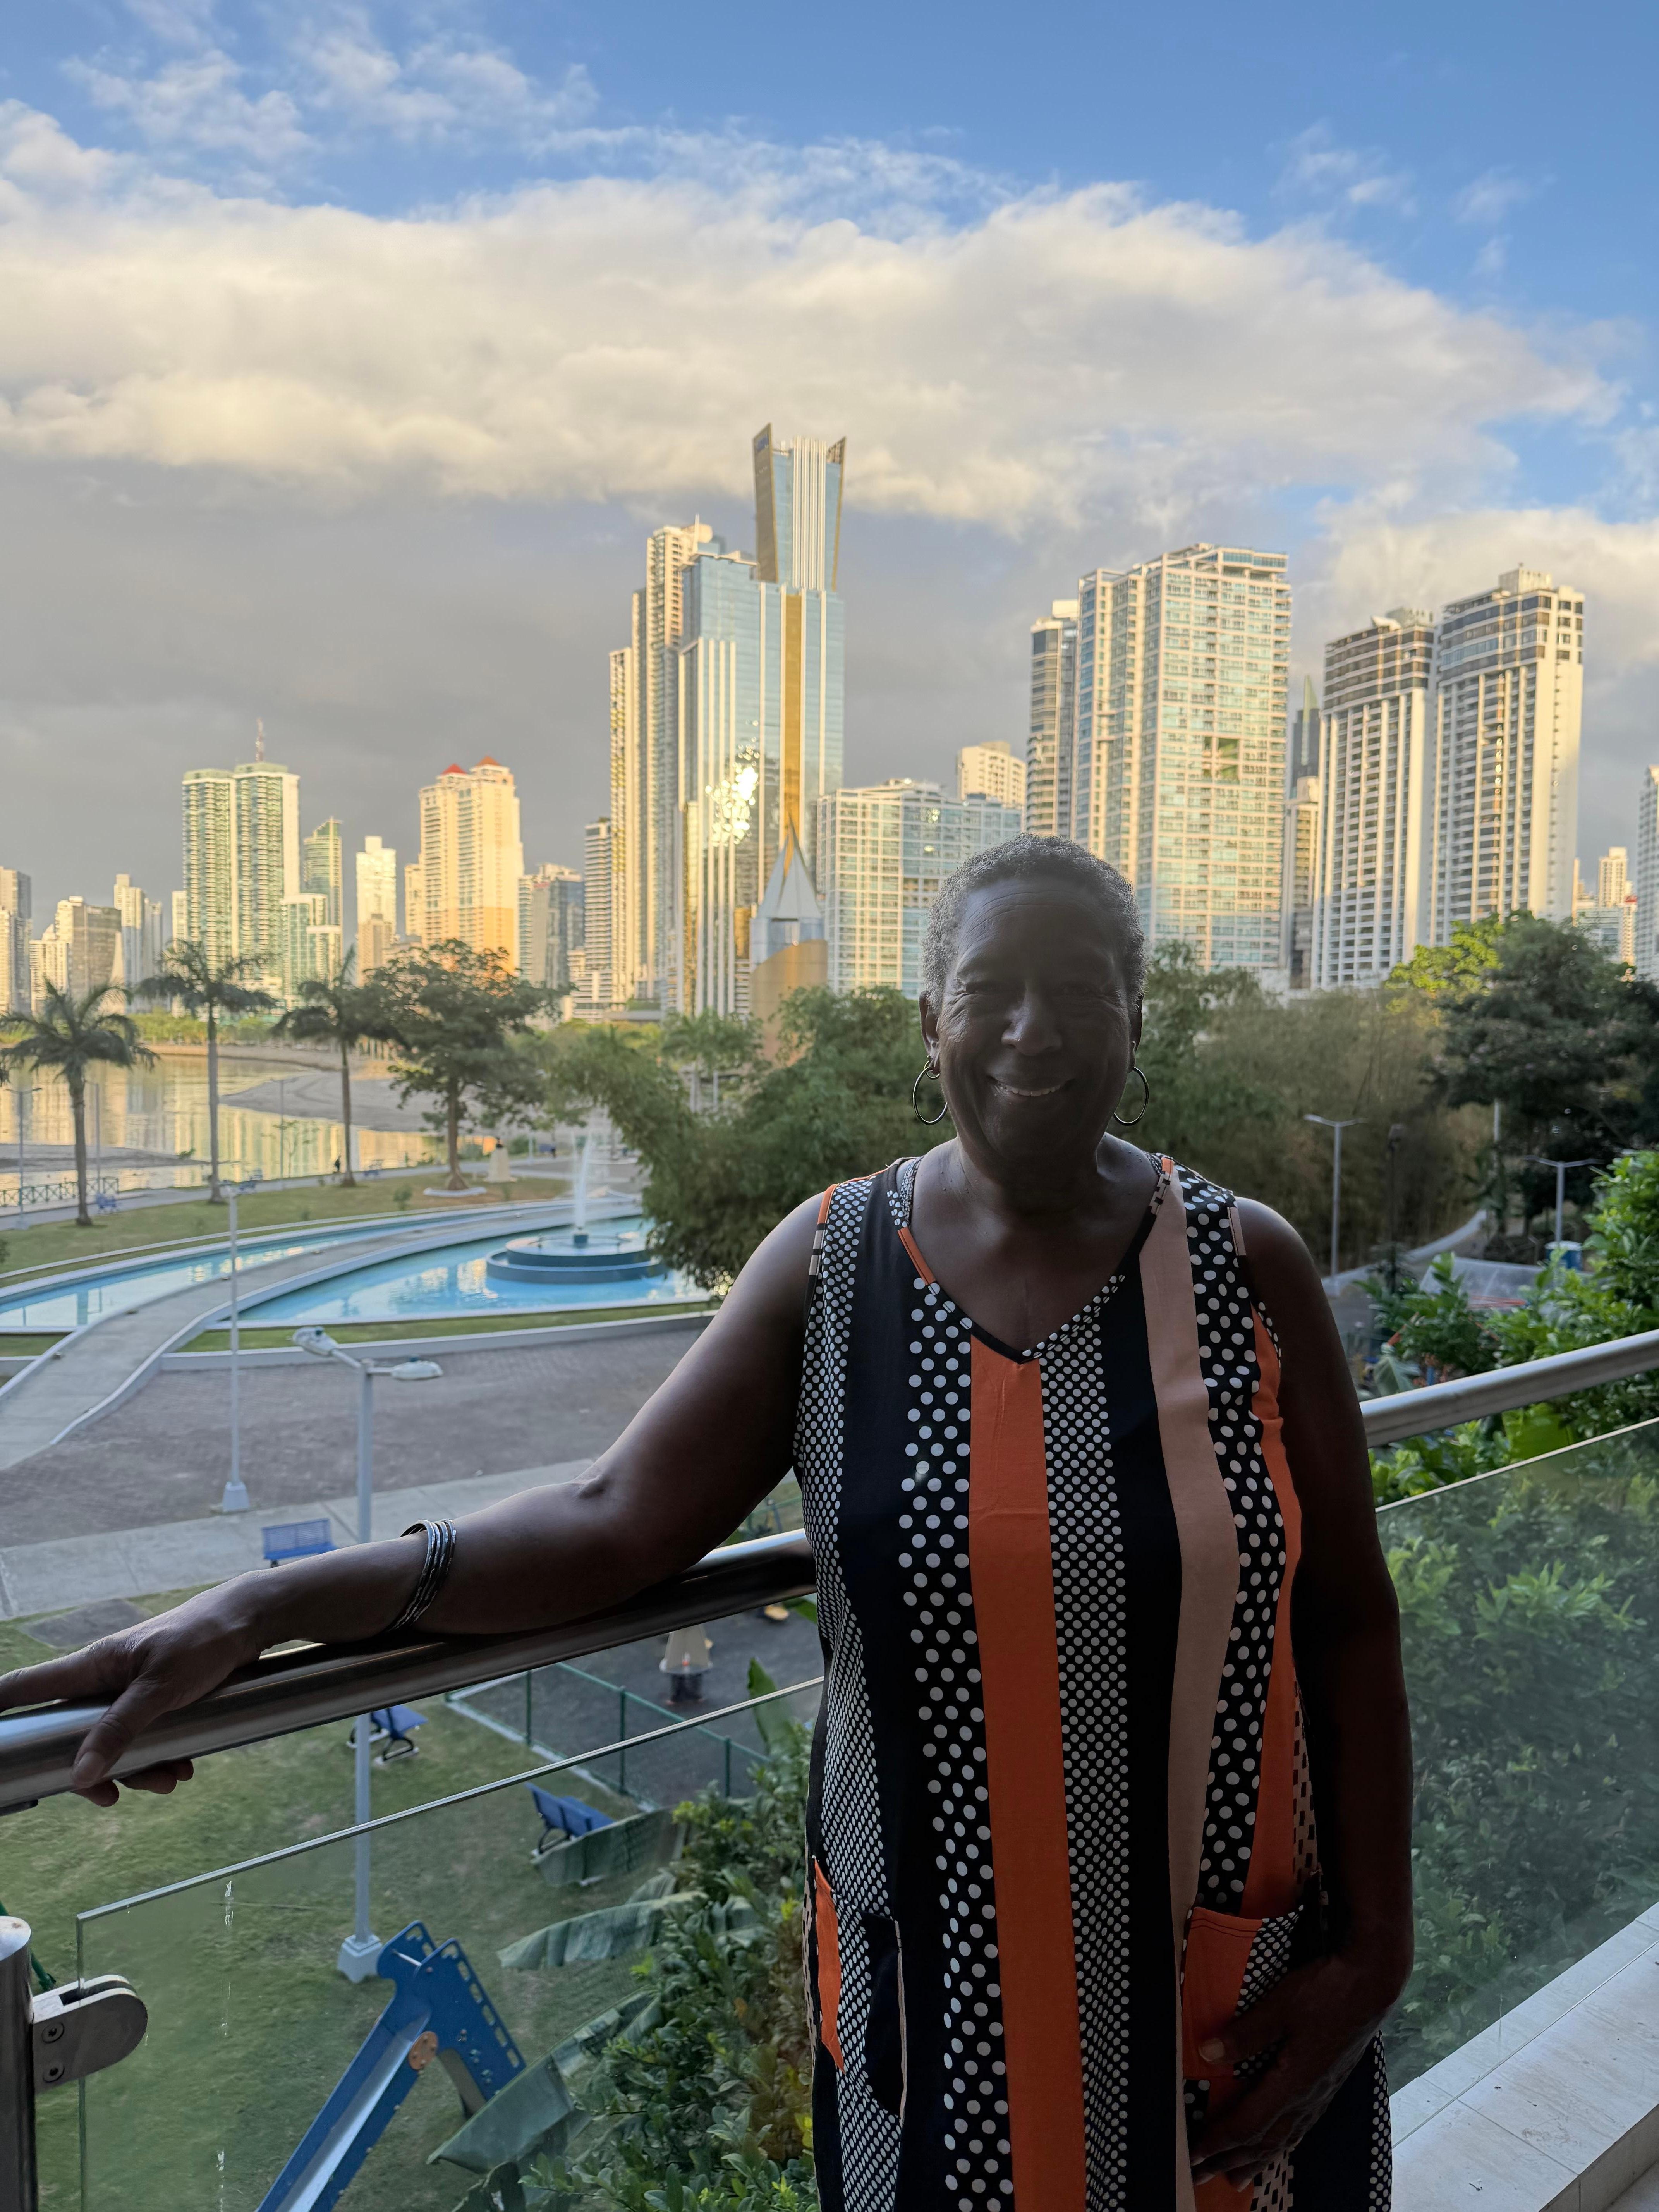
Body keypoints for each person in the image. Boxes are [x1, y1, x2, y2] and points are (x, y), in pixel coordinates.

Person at [0, 836, 1411, 2209]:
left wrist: (1372, 1953)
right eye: (989, 991)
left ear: (1136, 1018)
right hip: (936, 2023)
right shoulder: (837, 1265)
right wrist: (260, 1607)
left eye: (1081, 991)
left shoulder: (1246, 1266)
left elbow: (1347, 1621)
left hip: (1224, 2015)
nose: (1031, 1031)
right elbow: (612, 1521)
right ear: (931, 1023)